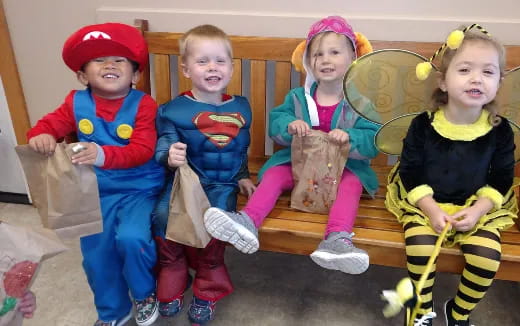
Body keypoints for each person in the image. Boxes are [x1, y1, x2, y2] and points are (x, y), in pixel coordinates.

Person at [203, 16, 380, 275]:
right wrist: (290, 125)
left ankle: (337, 240)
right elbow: (277, 122)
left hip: (343, 170)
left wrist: (351, 137)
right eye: (318, 54)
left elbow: (373, 140)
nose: (326, 59)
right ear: (309, 62)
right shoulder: (298, 98)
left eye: (334, 52)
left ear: (353, 58)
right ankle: (248, 221)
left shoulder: (360, 104)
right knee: (274, 174)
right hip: (299, 167)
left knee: (352, 185)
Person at [26, 23, 164, 326]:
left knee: (131, 238)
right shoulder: (76, 102)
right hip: (93, 191)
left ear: (136, 75)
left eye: (120, 59)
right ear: (82, 75)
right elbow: (49, 124)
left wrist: (102, 155)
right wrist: (41, 135)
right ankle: (113, 311)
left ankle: (144, 294)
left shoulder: (144, 105)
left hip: (138, 189)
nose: (110, 64)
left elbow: (143, 149)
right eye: (99, 60)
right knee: (96, 254)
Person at [385, 26, 517, 326]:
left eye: (488, 72)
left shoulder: (499, 130)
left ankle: (458, 313)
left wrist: (478, 210)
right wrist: (430, 209)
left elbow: (502, 177)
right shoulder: (424, 125)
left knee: (486, 258)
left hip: (476, 206)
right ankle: (420, 310)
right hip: (425, 203)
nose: (476, 78)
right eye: (465, 69)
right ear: (443, 81)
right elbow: (410, 170)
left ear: (498, 82)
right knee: (420, 248)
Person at [152, 24, 255, 325]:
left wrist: (243, 175)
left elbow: (240, 148)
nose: (213, 67)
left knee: (217, 228)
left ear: (231, 68)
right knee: (162, 218)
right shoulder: (172, 110)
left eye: (220, 61)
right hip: (186, 185)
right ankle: (173, 271)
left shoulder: (242, 107)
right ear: (185, 69)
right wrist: (169, 156)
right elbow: (163, 145)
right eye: (202, 61)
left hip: (223, 185)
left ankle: (207, 287)